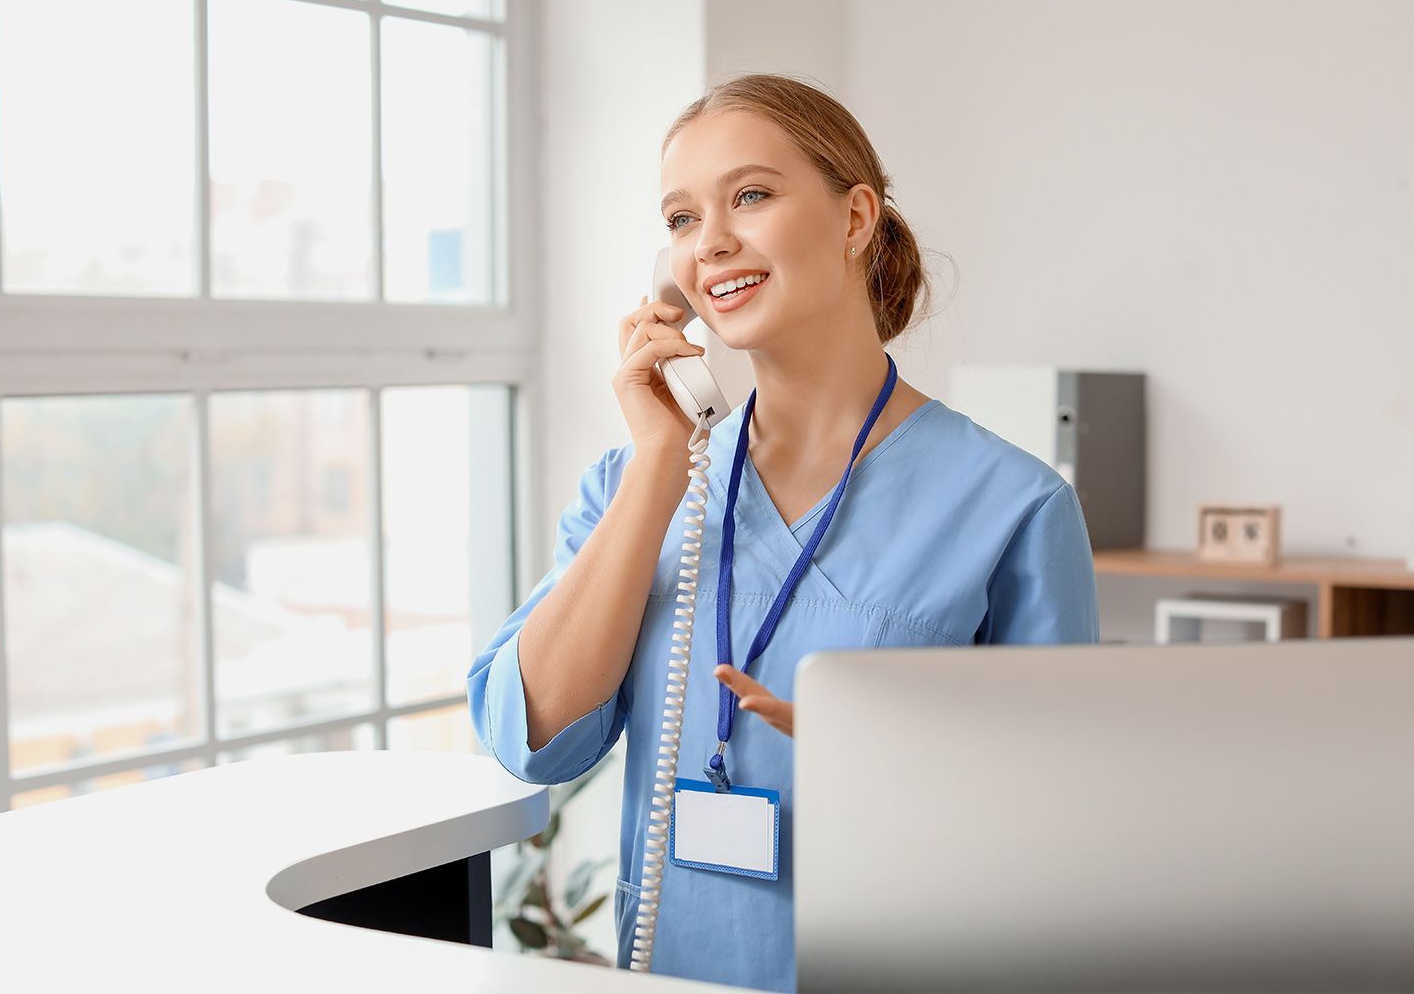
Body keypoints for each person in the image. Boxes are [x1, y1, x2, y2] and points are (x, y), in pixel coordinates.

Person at [467, 72, 1099, 993]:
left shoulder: (1014, 506)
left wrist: (884, 756)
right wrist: (660, 462)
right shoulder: (636, 486)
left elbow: (1064, 831)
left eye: (751, 196)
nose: (710, 242)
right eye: (682, 219)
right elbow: (535, 737)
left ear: (855, 218)